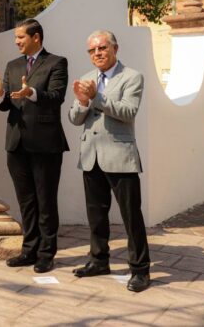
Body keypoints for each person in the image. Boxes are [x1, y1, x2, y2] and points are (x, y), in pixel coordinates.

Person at [68, 30, 151, 293]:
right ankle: (98, 260)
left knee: (131, 217)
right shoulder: (87, 78)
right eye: (92, 50)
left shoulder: (132, 77)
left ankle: (140, 270)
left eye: (102, 48)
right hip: (90, 156)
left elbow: (128, 111)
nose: (97, 54)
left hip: (120, 158)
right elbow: (74, 117)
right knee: (96, 216)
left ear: (115, 48)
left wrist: (97, 98)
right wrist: (82, 103)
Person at [0, 18, 69, 273]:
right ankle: (29, 250)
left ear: (36, 37)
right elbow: (6, 104)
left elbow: (56, 98)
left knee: (46, 201)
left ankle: (46, 253)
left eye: (21, 37)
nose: (17, 41)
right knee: (26, 201)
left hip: (46, 145)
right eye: (16, 38)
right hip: (17, 143)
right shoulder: (12, 65)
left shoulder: (57, 63)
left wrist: (30, 92)